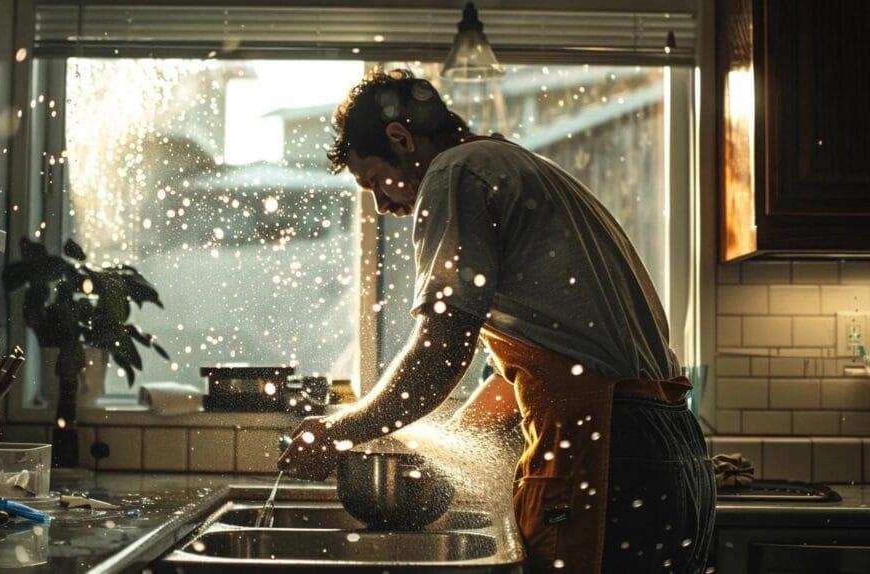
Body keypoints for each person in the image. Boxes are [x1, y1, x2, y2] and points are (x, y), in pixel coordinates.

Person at [278, 69, 715, 574]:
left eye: (375, 181)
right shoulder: (522, 169)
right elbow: (548, 369)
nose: (385, 206)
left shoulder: (454, 174)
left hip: (604, 456)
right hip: (672, 457)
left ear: (401, 139)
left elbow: (440, 349)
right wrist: (449, 451)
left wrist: (342, 430)